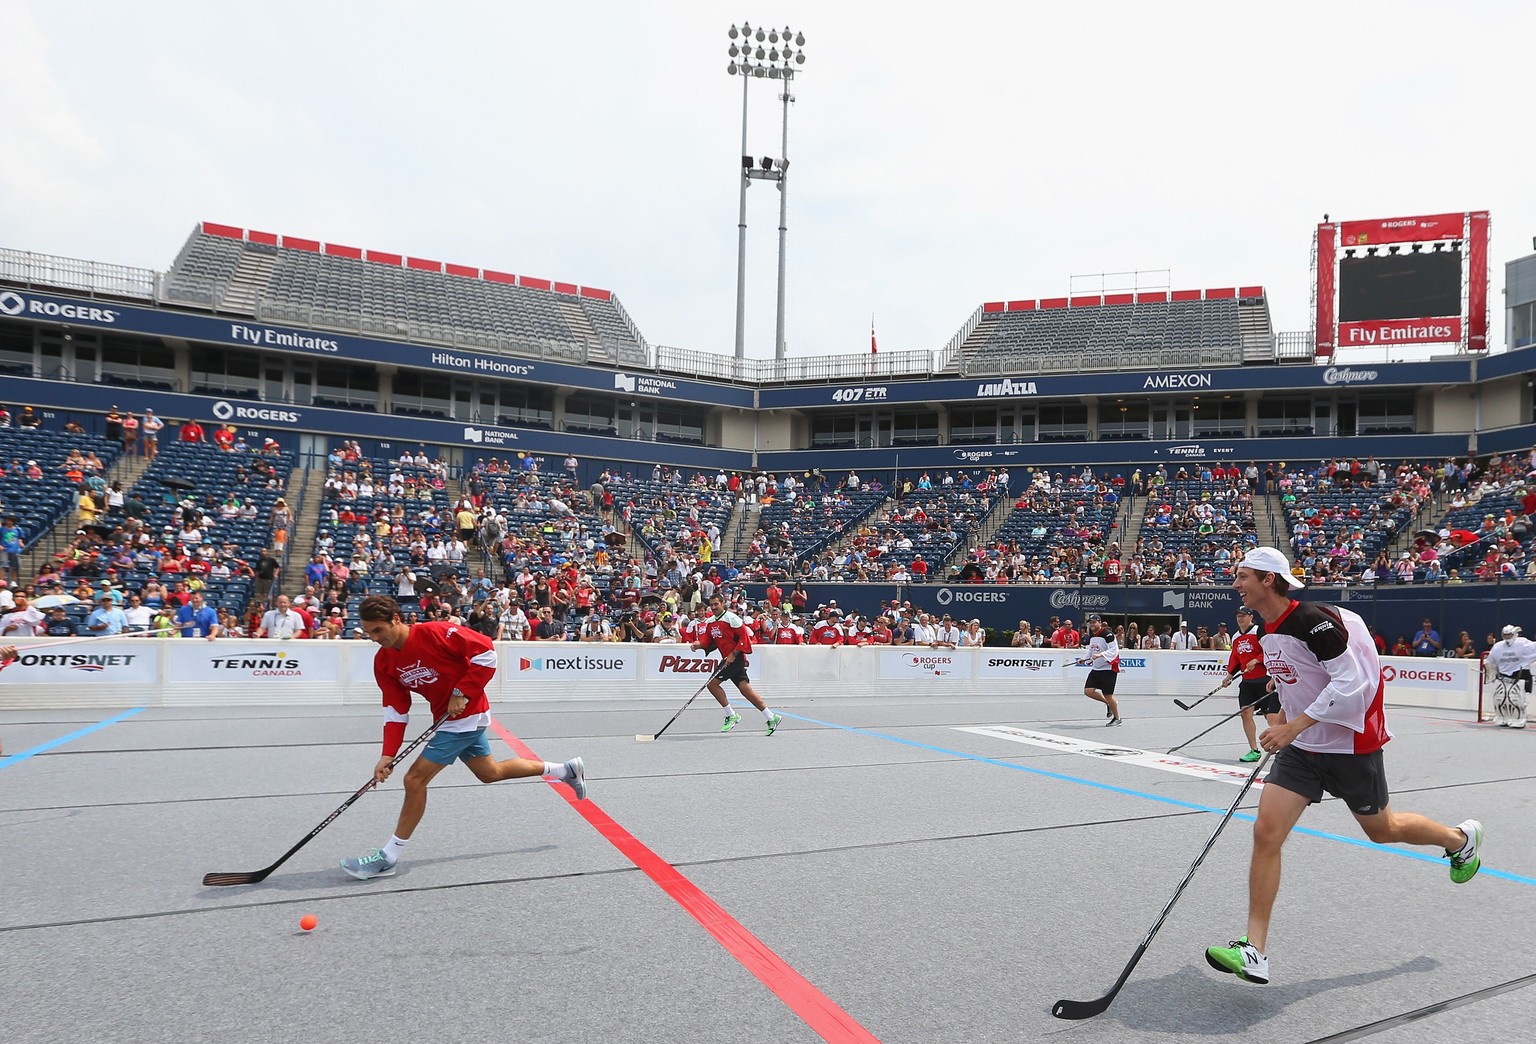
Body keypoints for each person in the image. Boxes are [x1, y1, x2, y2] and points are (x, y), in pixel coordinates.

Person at [1206, 546, 1482, 987]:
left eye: (1243, 576)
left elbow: (1352, 685)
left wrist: (1293, 726)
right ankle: (1254, 949)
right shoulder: (1266, 630)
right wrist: (1281, 721)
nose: (1235, 584)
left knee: (1383, 829)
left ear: (1268, 581)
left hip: (1350, 745)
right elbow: (1295, 679)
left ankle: (1459, 838)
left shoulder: (1312, 621)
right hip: (1303, 749)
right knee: (1266, 832)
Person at [339, 595, 588, 881]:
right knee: (490, 772)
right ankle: (565, 769)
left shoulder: (434, 632)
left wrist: (462, 691)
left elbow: (486, 653)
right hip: (448, 718)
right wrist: (388, 753)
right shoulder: (383, 661)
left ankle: (389, 857)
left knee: (414, 780)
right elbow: (395, 709)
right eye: (368, 632)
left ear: (396, 620)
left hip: (465, 715)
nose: (372, 638)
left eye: (378, 631)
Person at [691, 593, 783, 735]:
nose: (714, 607)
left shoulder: (732, 619)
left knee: (712, 684)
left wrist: (733, 654)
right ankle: (771, 717)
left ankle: (731, 715)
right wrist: (699, 645)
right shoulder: (710, 622)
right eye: (712, 605)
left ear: (723, 604)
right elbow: (708, 641)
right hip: (727, 658)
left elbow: (744, 637)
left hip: (735, 657)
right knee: (745, 689)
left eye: (716, 604)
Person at [1219, 606, 1278, 762]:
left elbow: (1272, 651)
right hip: (1247, 682)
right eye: (1238, 616)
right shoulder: (1236, 637)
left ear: (1251, 617)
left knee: (1271, 717)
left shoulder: (1260, 631)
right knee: (1245, 713)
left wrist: (1257, 660)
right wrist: (1229, 675)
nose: (1240, 618)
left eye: (1243, 616)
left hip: (1264, 680)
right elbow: (1235, 658)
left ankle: (1281, 747)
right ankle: (1254, 750)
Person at [1484, 624, 1536, 728]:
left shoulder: (1523, 643)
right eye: (1505, 635)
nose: (1507, 637)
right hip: (1502, 675)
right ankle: (1502, 716)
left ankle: (1519, 718)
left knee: (1515, 698)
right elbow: (1490, 661)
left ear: (1514, 634)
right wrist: (1491, 674)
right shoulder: (1498, 646)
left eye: (1509, 635)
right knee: (1499, 697)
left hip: (1519, 674)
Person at [1079, 615, 1122, 726]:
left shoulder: (1108, 634)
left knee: (1108, 694)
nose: (1092, 624)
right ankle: (1109, 704)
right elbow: (1091, 652)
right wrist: (1083, 659)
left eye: (1094, 622)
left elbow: (1114, 650)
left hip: (1108, 669)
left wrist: (1100, 655)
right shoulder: (1092, 637)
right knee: (1088, 691)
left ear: (1099, 622)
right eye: (1090, 623)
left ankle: (1117, 718)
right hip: (1096, 669)